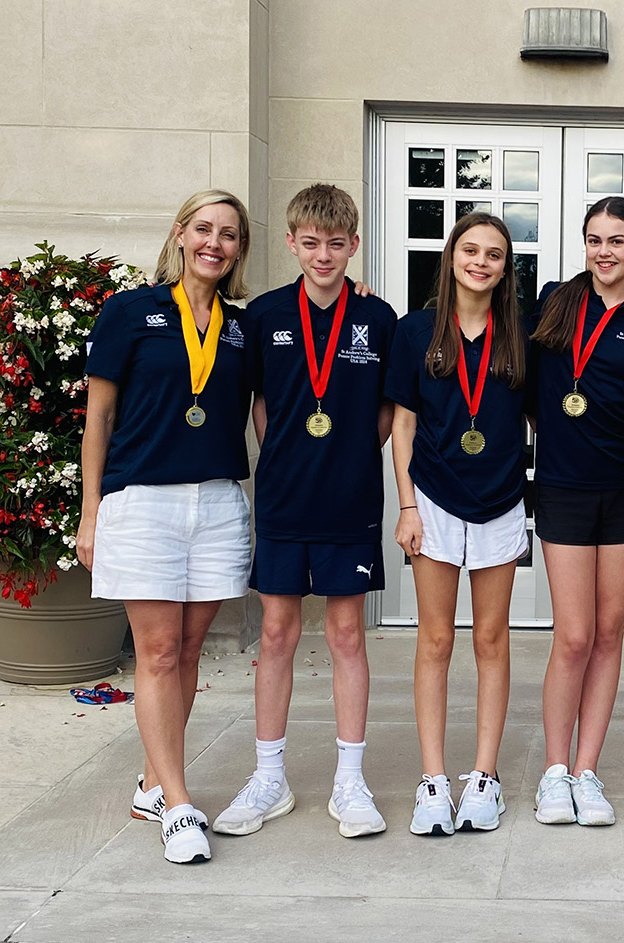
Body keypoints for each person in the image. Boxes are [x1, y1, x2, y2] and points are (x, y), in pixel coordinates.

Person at [212, 183, 399, 840]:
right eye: (312, 243)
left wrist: (347, 452)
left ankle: (350, 779)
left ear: (354, 246)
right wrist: (289, 450)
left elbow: (386, 410)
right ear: (291, 243)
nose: (324, 256)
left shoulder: (378, 319)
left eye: (337, 244)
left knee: (347, 637)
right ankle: (270, 776)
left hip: (351, 501)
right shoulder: (262, 316)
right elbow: (258, 403)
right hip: (286, 499)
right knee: (277, 635)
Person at [77, 189, 254, 864]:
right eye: (204, 229)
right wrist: (91, 512)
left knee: (185, 652)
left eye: (229, 234)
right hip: (142, 502)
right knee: (155, 652)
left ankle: (154, 781)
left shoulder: (240, 328)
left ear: (239, 248)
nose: (215, 242)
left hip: (215, 503)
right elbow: (98, 418)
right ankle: (178, 801)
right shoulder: (128, 312)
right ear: (180, 234)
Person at [527, 197, 624, 827]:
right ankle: (554, 772)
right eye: (593, 240)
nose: (603, 252)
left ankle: (587, 770)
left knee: (609, 634)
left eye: (616, 241)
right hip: (562, 485)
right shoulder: (554, 303)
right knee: (574, 635)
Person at [385, 212, 528, 836]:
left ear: (505, 267)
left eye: (493, 254)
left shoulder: (521, 335)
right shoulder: (415, 331)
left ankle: (485, 779)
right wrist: (408, 505)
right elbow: (403, 427)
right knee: (435, 640)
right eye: (470, 250)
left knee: (490, 640)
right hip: (435, 502)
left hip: (500, 501)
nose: (480, 262)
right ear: (451, 257)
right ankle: (434, 779)